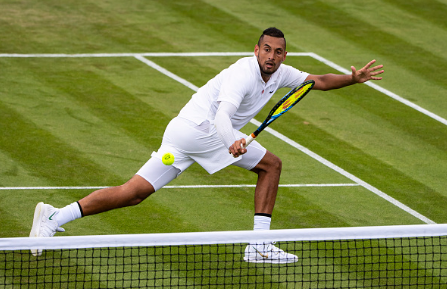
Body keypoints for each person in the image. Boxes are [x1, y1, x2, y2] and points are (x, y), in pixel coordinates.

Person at [29, 27, 384, 263]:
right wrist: (232, 141)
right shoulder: (242, 74)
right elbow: (222, 117)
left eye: (278, 52)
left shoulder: (281, 74)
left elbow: (318, 81)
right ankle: (258, 244)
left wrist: (352, 79)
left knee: (134, 192)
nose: (271, 56)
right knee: (271, 165)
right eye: (266, 49)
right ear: (256, 50)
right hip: (202, 129)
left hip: (182, 133)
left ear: (284, 56)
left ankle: (54, 217)